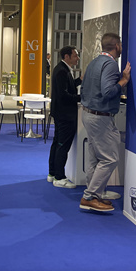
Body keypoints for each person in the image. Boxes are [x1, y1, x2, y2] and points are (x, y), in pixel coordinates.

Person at [79, 33, 130, 212]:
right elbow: (108, 91)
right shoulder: (110, 64)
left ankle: (95, 195)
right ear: (117, 46)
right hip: (100, 117)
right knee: (110, 158)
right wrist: (123, 80)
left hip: (89, 114)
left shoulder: (94, 62)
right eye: (121, 44)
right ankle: (90, 196)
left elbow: (83, 88)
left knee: (94, 158)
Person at [48, 46, 82, 188]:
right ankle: (59, 177)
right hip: (65, 115)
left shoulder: (62, 69)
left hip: (61, 113)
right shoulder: (62, 71)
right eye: (75, 56)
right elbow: (64, 95)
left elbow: (68, 87)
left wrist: (79, 80)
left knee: (57, 143)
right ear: (67, 56)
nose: (77, 58)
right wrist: (81, 98)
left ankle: (52, 173)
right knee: (62, 145)